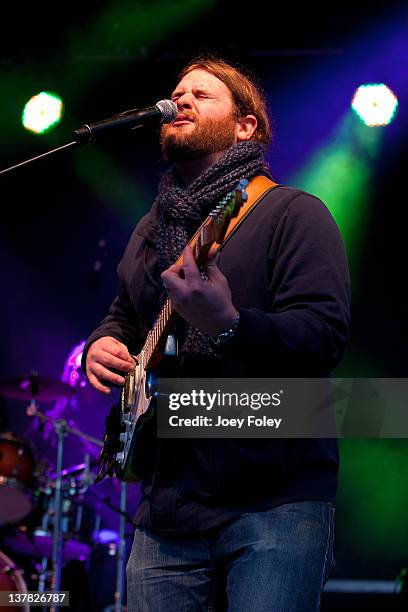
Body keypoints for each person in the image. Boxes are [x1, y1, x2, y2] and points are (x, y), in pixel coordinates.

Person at [82, 57, 350, 611]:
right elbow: (125, 315)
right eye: (176, 93)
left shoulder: (291, 213)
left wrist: (228, 325)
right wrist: (101, 345)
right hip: (166, 506)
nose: (180, 100)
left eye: (202, 95)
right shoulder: (152, 229)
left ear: (245, 126)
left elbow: (323, 337)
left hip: (274, 499)